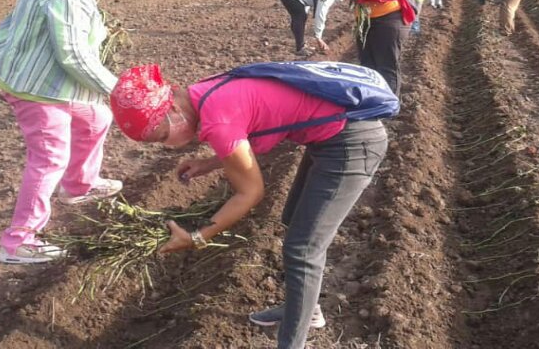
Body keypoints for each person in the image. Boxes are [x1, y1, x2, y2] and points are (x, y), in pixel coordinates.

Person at [111, 62, 392, 349]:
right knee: (293, 218)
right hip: (329, 135)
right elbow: (244, 132)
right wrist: (209, 164)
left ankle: (292, 343)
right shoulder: (203, 91)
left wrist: (197, 237)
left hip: (351, 143)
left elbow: (251, 193)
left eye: (161, 137)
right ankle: (305, 308)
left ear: (171, 110)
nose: (166, 146)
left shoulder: (217, 119)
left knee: (303, 248)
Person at [0, 0, 139, 264]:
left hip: (46, 77)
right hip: (38, 88)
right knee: (49, 158)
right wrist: (120, 89)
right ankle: (18, 242)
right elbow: (73, 55)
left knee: (98, 116)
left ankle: (78, 186)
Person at [273, 0, 337, 56]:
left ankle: (301, 45)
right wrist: (319, 37)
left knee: (300, 16)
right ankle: (300, 48)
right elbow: (321, 14)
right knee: (299, 15)